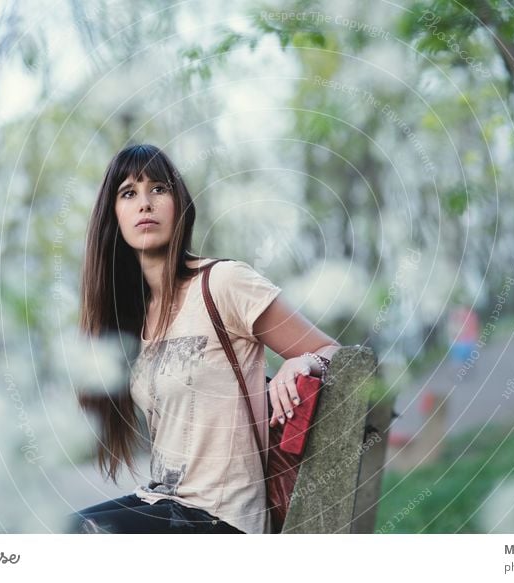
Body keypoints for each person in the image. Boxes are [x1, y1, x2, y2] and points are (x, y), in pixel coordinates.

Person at [66, 144, 341, 534]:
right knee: (70, 529)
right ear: (113, 217)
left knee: (85, 533)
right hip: (164, 503)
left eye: (158, 189)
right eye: (128, 193)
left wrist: (305, 361)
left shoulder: (223, 283)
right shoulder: (132, 323)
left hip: (224, 519)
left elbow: (336, 353)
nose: (145, 203)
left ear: (180, 205)